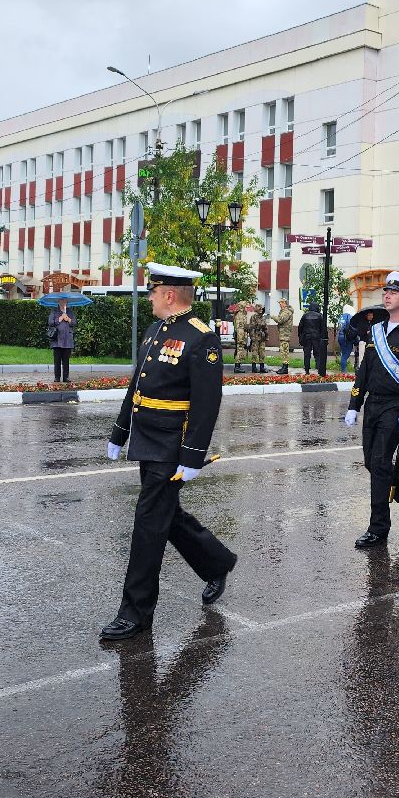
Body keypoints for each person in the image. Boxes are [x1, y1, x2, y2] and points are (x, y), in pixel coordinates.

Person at [101, 263, 236, 641]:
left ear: (169, 295)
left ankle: (136, 612)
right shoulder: (155, 331)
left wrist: (192, 455)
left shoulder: (201, 338)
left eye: (153, 291)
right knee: (165, 515)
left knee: (148, 521)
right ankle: (217, 561)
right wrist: (120, 431)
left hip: (172, 446)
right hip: (148, 438)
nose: (150, 298)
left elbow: (207, 403)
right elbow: (137, 385)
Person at [344, 272, 399, 547]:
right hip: (374, 404)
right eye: (386, 291)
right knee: (372, 462)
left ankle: (378, 528)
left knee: (380, 463)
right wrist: (354, 404)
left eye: (393, 292)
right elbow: (364, 371)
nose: (386, 295)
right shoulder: (375, 330)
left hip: (395, 405)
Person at [47, 300, 76, 383]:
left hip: (67, 340)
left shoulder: (70, 312)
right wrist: (59, 319)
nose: (63, 303)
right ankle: (57, 377)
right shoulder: (54, 311)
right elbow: (50, 322)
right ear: (58, 302)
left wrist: (68, 319)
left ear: (67, 303)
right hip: (57, 340)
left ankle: (66, 377)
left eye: (65, 302)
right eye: (61, 301)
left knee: (66, 361)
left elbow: (74, 323)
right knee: (57, 360)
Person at [299, 304, 328, 377]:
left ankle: (307, 370)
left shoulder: (305, 316)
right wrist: (325, 338)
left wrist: (300, 336)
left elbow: (300, 327)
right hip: (317, 338)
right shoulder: (320, 316)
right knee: (318, 354)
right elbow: (323, 328)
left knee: (307, 354)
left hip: (307, 337)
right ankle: (318, 369)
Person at [274, 297, 295, 375]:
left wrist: (273, 317)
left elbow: (280, 320)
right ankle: (284, 367)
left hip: (285, 334)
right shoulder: (285, 311)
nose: (279, 304)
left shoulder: (286, 312)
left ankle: (285, 368)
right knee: (283, 351)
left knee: (284, 351)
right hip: (283, 334)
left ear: (284, 303)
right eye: (279, 302)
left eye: (281, 302)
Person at [337, 306, 359, 373]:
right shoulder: (350, 317)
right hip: (347, 338)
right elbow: (353, 329)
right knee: (345, 355)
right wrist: (356, 340)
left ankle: (343, 370)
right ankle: (344, 372)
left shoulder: (341, 317)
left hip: (340, 337)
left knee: (343, 354)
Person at [248, 303, 268, 373]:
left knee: (262, 352)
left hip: (262, 337)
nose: (261, 310)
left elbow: (265, 328)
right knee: (255, 352)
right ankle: (254, 367)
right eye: (260, 309)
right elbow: (251, 328)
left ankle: (262, 367)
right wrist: (252, 337)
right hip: (255, 337)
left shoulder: (263, 317)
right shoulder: (253, 317)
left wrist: (266, 336)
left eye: (262, 309)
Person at [231, 304, 250, 374]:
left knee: (240, 350)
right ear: (242, 307)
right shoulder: (240, 316)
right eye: (246, 308)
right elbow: (239, 329)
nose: (247, 309)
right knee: (240, 350)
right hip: (240, 336)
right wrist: (241, 339)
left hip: (241, 335)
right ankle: (237, 367)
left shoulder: (242, 314)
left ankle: (238, 365)